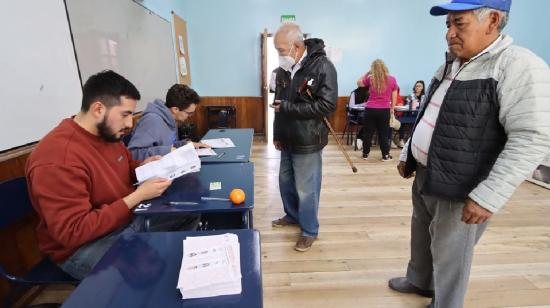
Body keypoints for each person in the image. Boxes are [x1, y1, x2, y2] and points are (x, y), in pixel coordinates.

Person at [390, 1, 550, 307]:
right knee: (421, 234)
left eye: (458, 24)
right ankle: (420, 280)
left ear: (492, 20)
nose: (449, 34)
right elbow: (430, 112)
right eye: (447, 25)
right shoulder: (453, 62)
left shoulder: (517, 65)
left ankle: (445, 303)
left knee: (452, 253)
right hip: (428, 173)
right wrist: (408, 154)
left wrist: (489, 195)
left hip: (464, 187)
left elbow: (531, 138)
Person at [26, 70, 199, 280]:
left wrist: (142, 165)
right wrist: (138, 196)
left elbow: (123, 167)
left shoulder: (108, 135)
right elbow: (74, 231)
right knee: (148, 270)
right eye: (125, 114)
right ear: (98, 109)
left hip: (123, 220)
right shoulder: (57, 158)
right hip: (82, 246)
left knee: (190, 211)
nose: (130, 124)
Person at [270, 22, 337, 252]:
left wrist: (288, 108)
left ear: (297, 46)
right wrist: (277, 134)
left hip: (308, 140)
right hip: (286, 137)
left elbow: (327, 105)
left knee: (306, 189)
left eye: (281, 50)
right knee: (285, 182)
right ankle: (292, 215)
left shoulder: (322, 66)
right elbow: (279, 104)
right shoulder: (282, 70)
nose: (279, 55)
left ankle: (309, 230)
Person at [127, 84, 209, 160]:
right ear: (175, 109)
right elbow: (133, 154)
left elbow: (169, 145)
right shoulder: (151, 120)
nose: (190, 116)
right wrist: (166, 151)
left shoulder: (171, 119)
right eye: (189, 113)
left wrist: (186, 145)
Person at [357, 59, 398, 161]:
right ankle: (385, 156)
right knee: (384, 133)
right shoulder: (392, 79)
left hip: (370, 109)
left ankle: (365, 154)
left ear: (373, 69)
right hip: (384, 110)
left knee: (368, 132)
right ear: (385, 67)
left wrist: (367, 73)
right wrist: (392, 108)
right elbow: (394, 95)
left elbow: (358, 83)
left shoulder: (370, 78)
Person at [394, 80, 425, 148]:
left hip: (420, 115)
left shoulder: (424, 96)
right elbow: (406, 106)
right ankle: (401, 140)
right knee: (402, 122)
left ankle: (418, 142)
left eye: (419, 86)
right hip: (409, 114)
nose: (417, 87)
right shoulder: (411, 95)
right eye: (416, 86)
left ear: (422, 87)